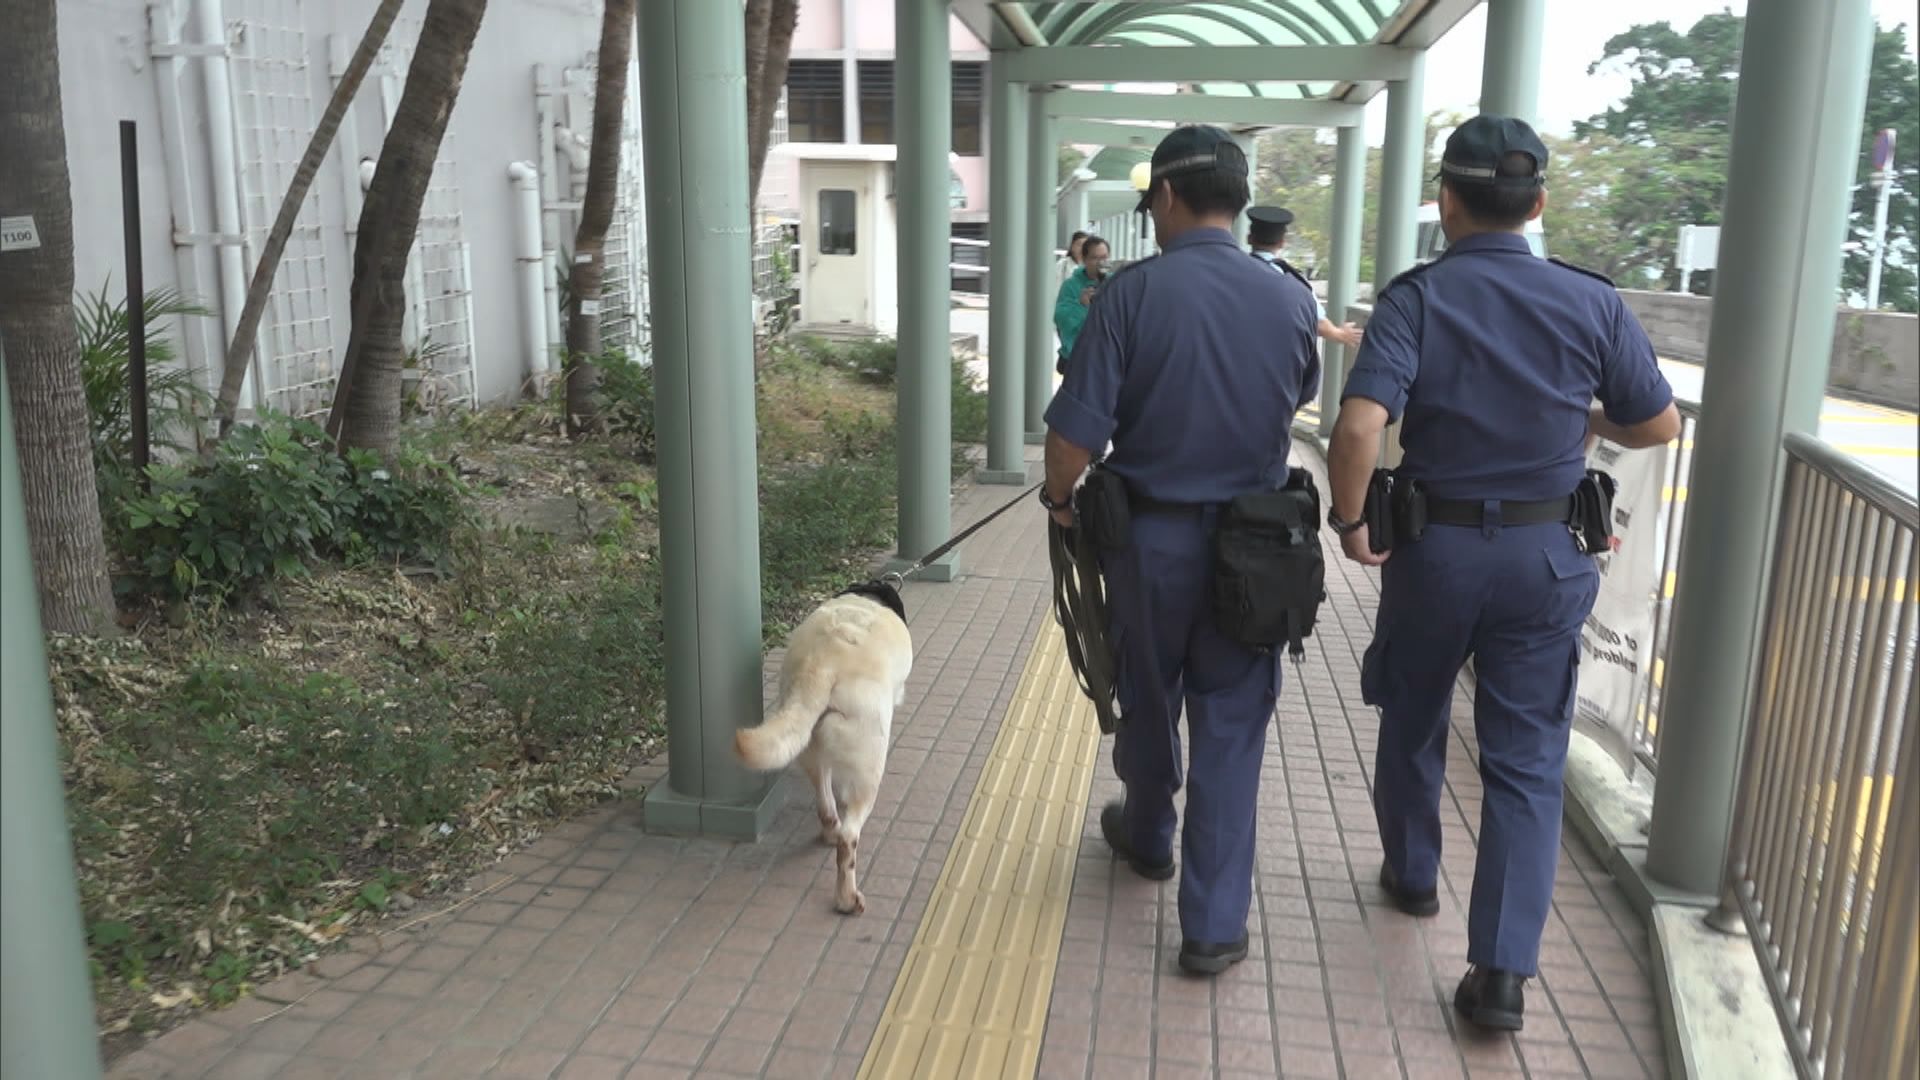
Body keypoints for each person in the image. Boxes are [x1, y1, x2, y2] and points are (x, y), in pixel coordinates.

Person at [1325, 114, 1681, 1031]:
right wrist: (1584, 421)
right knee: (1526, 759)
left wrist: (1353, 518)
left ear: (1446, 201)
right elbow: (1659, 424)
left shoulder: (1416, 298)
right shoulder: (1591, 301)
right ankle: (1501, 976)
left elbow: (1362, 425)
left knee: (1412, 713)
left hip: (1434, 550)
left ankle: (1411, 876)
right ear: (1539, 204)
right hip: (1545, 557)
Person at [1040, 125, 1320, 975]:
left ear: (1164, 197)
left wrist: (1058, 503)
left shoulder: (1129, 295)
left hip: (1150, 542)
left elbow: (1071, 440)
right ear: (1236, 201)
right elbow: (1301, 390)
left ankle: (1150, 833)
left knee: (1148, 691)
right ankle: (1211, 927)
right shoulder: (1290, 297)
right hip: (1257, 550)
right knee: (1232, 726)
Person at [1246, 206, 1363, 349]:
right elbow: (1316, 321)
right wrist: (1339, 333)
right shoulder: (1293, 280)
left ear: (1249, 238)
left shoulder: (1231, 271)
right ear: (1282, 242)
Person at [1052, 234, 1110, 372]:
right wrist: (1082, 305)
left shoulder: (1114, 284)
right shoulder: (1071, 286)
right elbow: (1061, 319)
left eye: (1104, 258)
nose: (1100, 263)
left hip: (1106, 358)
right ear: (1084, 259)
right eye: (1095, 258)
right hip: (1077, 358)